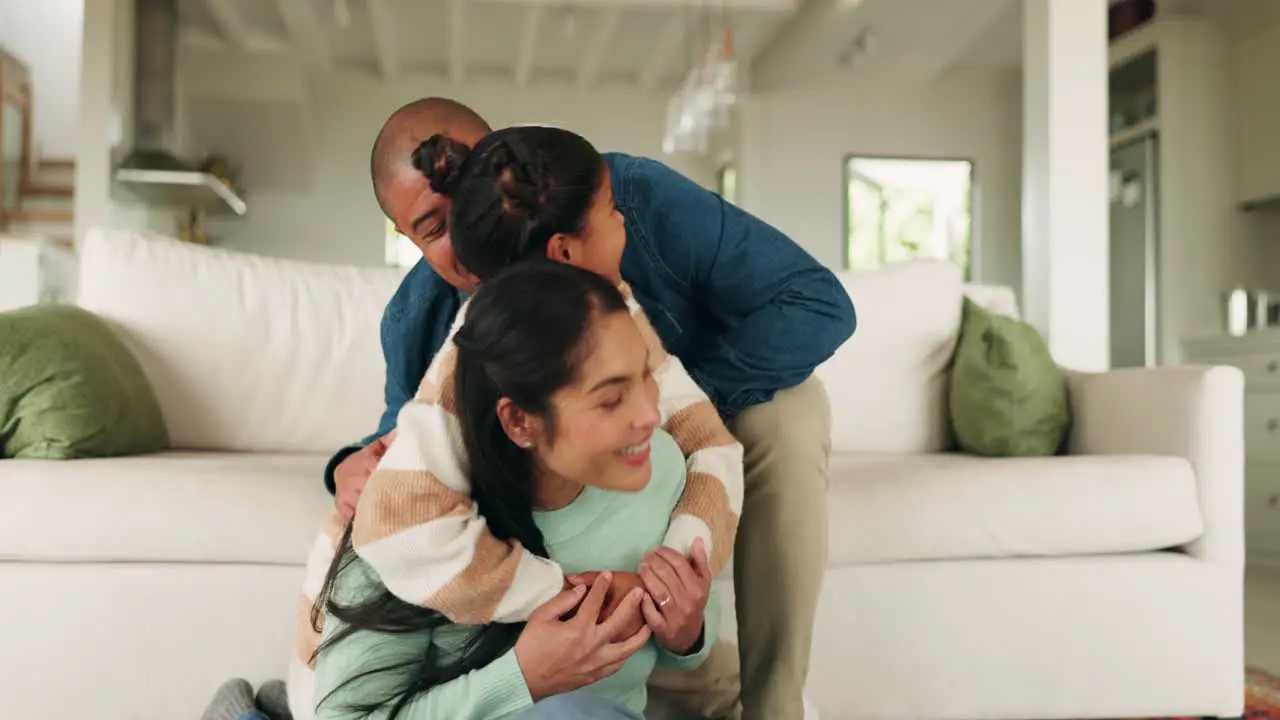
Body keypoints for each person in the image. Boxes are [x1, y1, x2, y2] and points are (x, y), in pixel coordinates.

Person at [329, 98, 855, 720]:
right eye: (436, 227)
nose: (473, 234)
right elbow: (406, 448)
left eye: (475, 195)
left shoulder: (614, 199)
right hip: (545, 609)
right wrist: (347, 467)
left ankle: (773, 707)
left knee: (790, 412)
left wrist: (646, 404)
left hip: (667, 449)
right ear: (406, 237)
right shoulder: (424, 327)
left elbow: (816, 303)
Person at [311, 262, 721, 720]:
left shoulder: (658, 465)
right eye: (610, 398)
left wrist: (687, 629)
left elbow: (690, 637)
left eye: (645, 375)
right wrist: (523, 678)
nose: (648, 414)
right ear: (520, 421)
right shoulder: (411, 525)